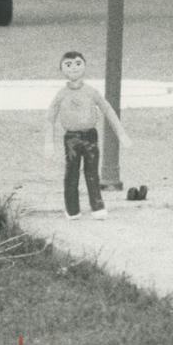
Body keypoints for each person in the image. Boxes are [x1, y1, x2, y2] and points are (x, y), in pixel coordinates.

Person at [44, 51, 132, 220]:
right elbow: (50, 118)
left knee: (92, 172)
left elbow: (107, 110)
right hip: (71, 138)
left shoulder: (91, 92)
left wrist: (121, 134)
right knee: (71, 173)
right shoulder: (62, 94)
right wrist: (49, 143)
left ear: (84, 66)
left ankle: (97, 206)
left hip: (90, 136)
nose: (74, 68)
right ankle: (72, 209)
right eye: (68, 65)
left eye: (78, 64)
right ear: (61, 69)